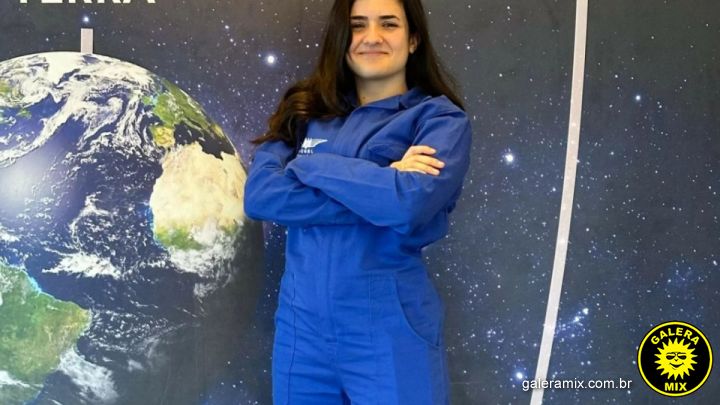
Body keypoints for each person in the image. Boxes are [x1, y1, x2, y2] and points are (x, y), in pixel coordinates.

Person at [244, 0, 472, 403]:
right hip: (301, 331)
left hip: (390, 331)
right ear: (341, 37)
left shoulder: (439, 121)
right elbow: (262, 197)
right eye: (357, 25)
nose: (372, 37)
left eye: (389, 24)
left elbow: (407, 205)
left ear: (413, 39)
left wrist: (311, 165)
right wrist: (380, 181)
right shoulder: (303, 111)